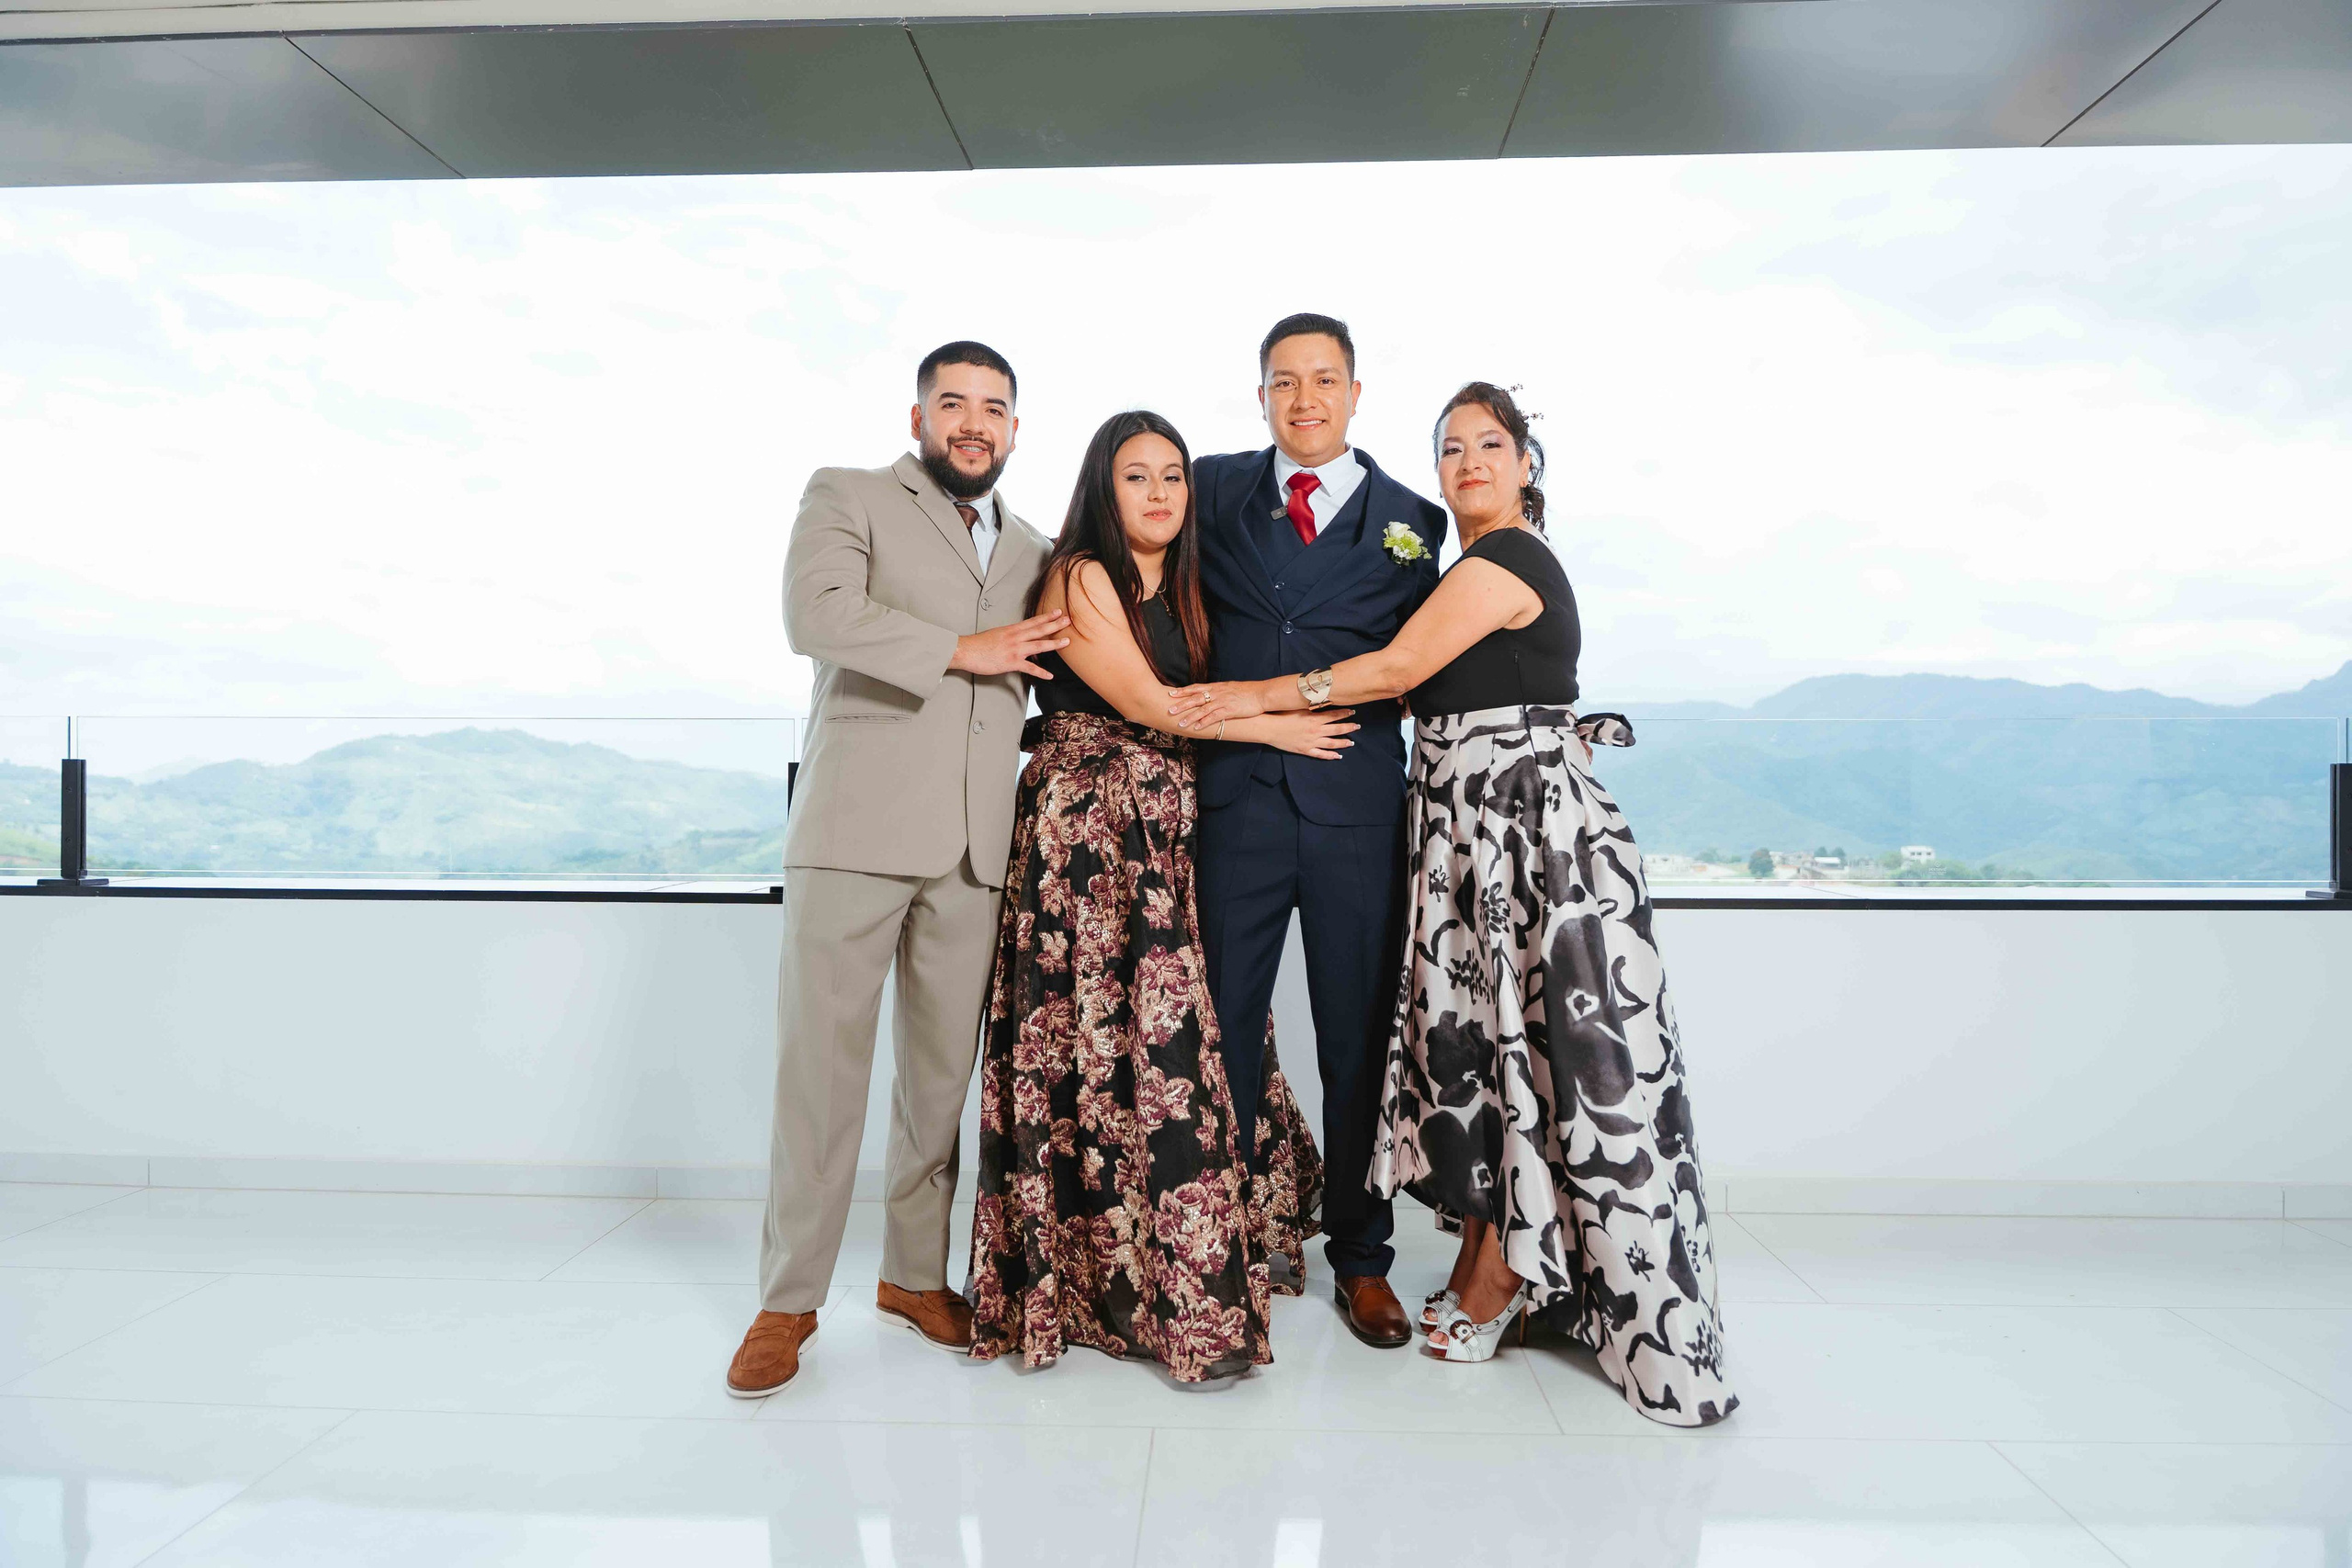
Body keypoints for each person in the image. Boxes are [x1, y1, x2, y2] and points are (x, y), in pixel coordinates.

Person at [1170, 382, 1737, 1426]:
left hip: (1523, 838)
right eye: (1451, 447)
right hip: (1470, 834)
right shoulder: (1461, 561)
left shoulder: (1506, 558)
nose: (1469, 461)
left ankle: (1506, 1270)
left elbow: (1394, 666)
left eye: (1490, 445)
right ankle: (1493, 1256)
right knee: (1494, 1048)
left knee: (1544, 1055)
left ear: (1525, 466)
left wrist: (1246, 700)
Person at [966, 411, 1351, 1382]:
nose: (1159, 493)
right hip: (1090, 835)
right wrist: (1279, 723)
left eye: (1173, 475)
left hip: (1164, 832)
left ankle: (1178, 1254)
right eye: (1136, 475)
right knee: (1098, 1044)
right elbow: (1149, 705)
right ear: (1104, 487)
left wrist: (1270, 700)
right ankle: (1108, 1278)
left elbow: (1200, 698)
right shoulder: (1080, 574)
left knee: (1182, 1037)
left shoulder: (1182, 584)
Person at [727, 341, 1074, 1398]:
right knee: (821, 1076)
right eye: (953, 403)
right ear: (918, 416)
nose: (973, 422)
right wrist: (965, 649)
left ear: (1015, 429)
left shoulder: (1037, 547)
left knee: (937, 1084)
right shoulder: (848, 495)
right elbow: (816, 615)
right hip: (855, 832)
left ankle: (913, 1277)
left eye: (993, 408)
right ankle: (788, 1300)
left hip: (976, 845)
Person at [1187, 313, 1446, 1349]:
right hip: (1235, 800)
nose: (1304, 399)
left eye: (1324, 379)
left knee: (1358, 1041)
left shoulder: (1414, 520)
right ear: (1261, 396)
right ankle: (1221, 1250)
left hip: (1356, 811)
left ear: (1354, 393)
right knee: (1219, 1035)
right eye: (1284, 381)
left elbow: (1426, 660)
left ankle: (1362, 1258)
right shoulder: (1209, 488)